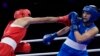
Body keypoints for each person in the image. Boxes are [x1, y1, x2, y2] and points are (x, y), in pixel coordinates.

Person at [0, 9, 71, 56]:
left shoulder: (11, 24)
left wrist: (18, 46)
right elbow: (44, 20)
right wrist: (62, 19)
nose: (30, 18)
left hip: (8, 48)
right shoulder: (23, 20)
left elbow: (8, 39)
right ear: (24, 15)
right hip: (6, 48)